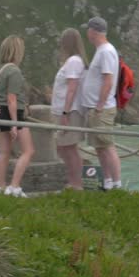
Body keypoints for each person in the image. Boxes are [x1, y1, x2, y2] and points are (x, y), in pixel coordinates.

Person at [0, 35, 34, 197]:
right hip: (13, 113)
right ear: (17, 52)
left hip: (0, 111)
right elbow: (12, 99)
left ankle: (1, 186)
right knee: (28, 151)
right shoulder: (14, 71)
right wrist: (15, 124)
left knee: (4, 151)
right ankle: (14, 186)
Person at [79, 17, 122, 190]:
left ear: (93, 32)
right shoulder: (102, 50)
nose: (86, 33)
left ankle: (117, 184)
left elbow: (108, 81)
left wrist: (99, 105)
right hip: (95, 108)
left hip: (101, 109)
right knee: (99, 147)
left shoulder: (105, 51)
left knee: (107, 145)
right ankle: (108, 181)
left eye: (88, 30)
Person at [51, 28, 87, 190]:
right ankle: (72, 181)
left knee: (69, 147)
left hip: (70, 112)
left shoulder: (73, 61)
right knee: (63, 146)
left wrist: (65, 113)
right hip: (65, 111)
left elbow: (72, 88)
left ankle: (76, 184)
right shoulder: (75, 60)